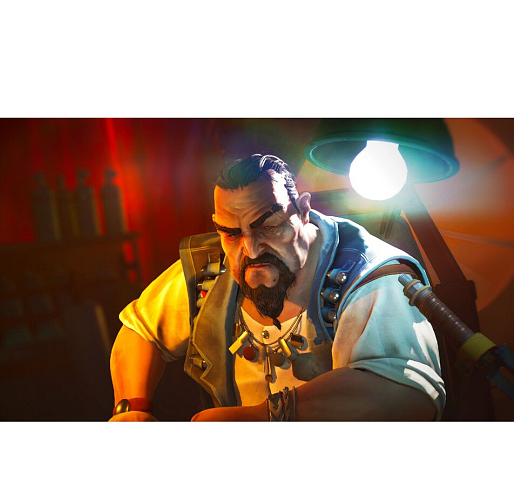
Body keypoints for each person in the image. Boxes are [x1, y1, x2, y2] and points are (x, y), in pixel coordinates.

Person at [109, 154, 445, 421]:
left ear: (303, 211)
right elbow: (140, 330)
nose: (252, 249)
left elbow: (408, 394)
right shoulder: (210, 270)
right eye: (231, 233)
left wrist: (263, 417)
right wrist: (131, 408)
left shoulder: (368, 274)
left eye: (269, 226)